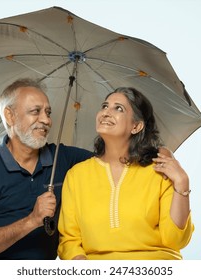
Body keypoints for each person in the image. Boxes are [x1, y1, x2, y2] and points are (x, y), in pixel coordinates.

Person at [0, 78, 93, 259]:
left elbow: (112, 159)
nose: (46, 120)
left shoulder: (63, 158)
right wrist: (32, 220)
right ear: (10, 116)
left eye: (48, 112)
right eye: (35, 111)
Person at [58, 87, 193, 260]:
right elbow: (69, 241)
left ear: (136, 126)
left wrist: (182, 182)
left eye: (118, 108)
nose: (106, 112)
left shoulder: (159, 169)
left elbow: (176, 240)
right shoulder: (76, 175)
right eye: (105, 106)